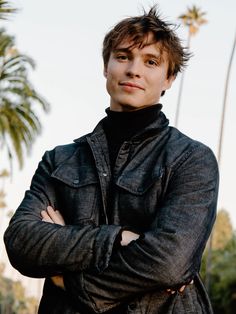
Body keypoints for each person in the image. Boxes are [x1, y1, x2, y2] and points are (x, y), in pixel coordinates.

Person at [4, 6, 219, 314]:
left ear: (169, 78)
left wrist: (68, 279)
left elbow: (169, 263)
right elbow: (21, 242)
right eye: (122, 57)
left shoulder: (192, 159)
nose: (134, 69)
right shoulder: (59, 160)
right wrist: (116, 238)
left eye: (151, 62)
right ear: (106, 67)